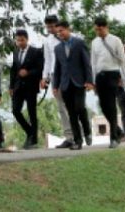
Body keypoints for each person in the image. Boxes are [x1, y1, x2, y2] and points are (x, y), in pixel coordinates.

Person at [90, 18, 125, 149]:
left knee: (111, 105)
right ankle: (118, 131)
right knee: (103, 107)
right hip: (100, 77)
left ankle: (113, 138)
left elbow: (123, 61)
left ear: (106, 27)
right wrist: (93, 81)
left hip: (112, 75)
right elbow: (93, 63)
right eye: (96, 30)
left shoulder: (116, 40)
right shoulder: (94, 42)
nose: (98, 32)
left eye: (100, 29)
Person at [52, 20, 93, 151]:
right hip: (65, 85)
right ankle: (78, 140)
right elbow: (57, 68)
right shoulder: (57, 48)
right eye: (58, 32)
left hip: (79, 82)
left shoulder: (79, 43)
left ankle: (87, 130)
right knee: (72, 114)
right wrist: (55, 85)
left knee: (80, 108)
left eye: (61, 31)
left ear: (68, 29)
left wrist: (89, 80)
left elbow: (87, 63)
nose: (60, 34)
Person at [40, 14, 75, 148]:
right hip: (56, 75)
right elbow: (47, 61)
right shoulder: (47, 41)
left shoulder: (72, 37)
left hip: (71, 74)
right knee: (61, 107)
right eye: (48, 27)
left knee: (74, 106)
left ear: (57, 24)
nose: (50, 30)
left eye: (52, 26)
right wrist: (45, 77)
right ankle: (69, 137)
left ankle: (80, 133)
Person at [9, 29, 43, 149]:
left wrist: (28, 72)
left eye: (22, 40)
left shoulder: (36, 52)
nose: (20, 43)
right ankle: (29, 131)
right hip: (18, 87)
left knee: (32, 112)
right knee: (15, 110)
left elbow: (40, 69)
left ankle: (33, 140)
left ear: (27, 39)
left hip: (31, 86)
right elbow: (13, 70)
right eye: (18, 40)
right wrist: (11, 86)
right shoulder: (15, 52)